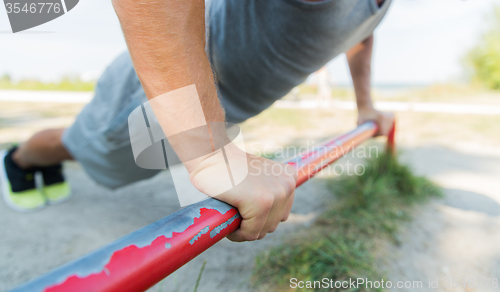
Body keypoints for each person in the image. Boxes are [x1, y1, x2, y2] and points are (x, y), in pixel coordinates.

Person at [0, 0, 394, 242]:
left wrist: (365, 105)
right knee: (84, 147)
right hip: (173, 85)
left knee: (128, 165)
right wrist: (210, 153)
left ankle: (44, 164)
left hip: (215, 109)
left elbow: (362, 30)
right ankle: (20, 161)